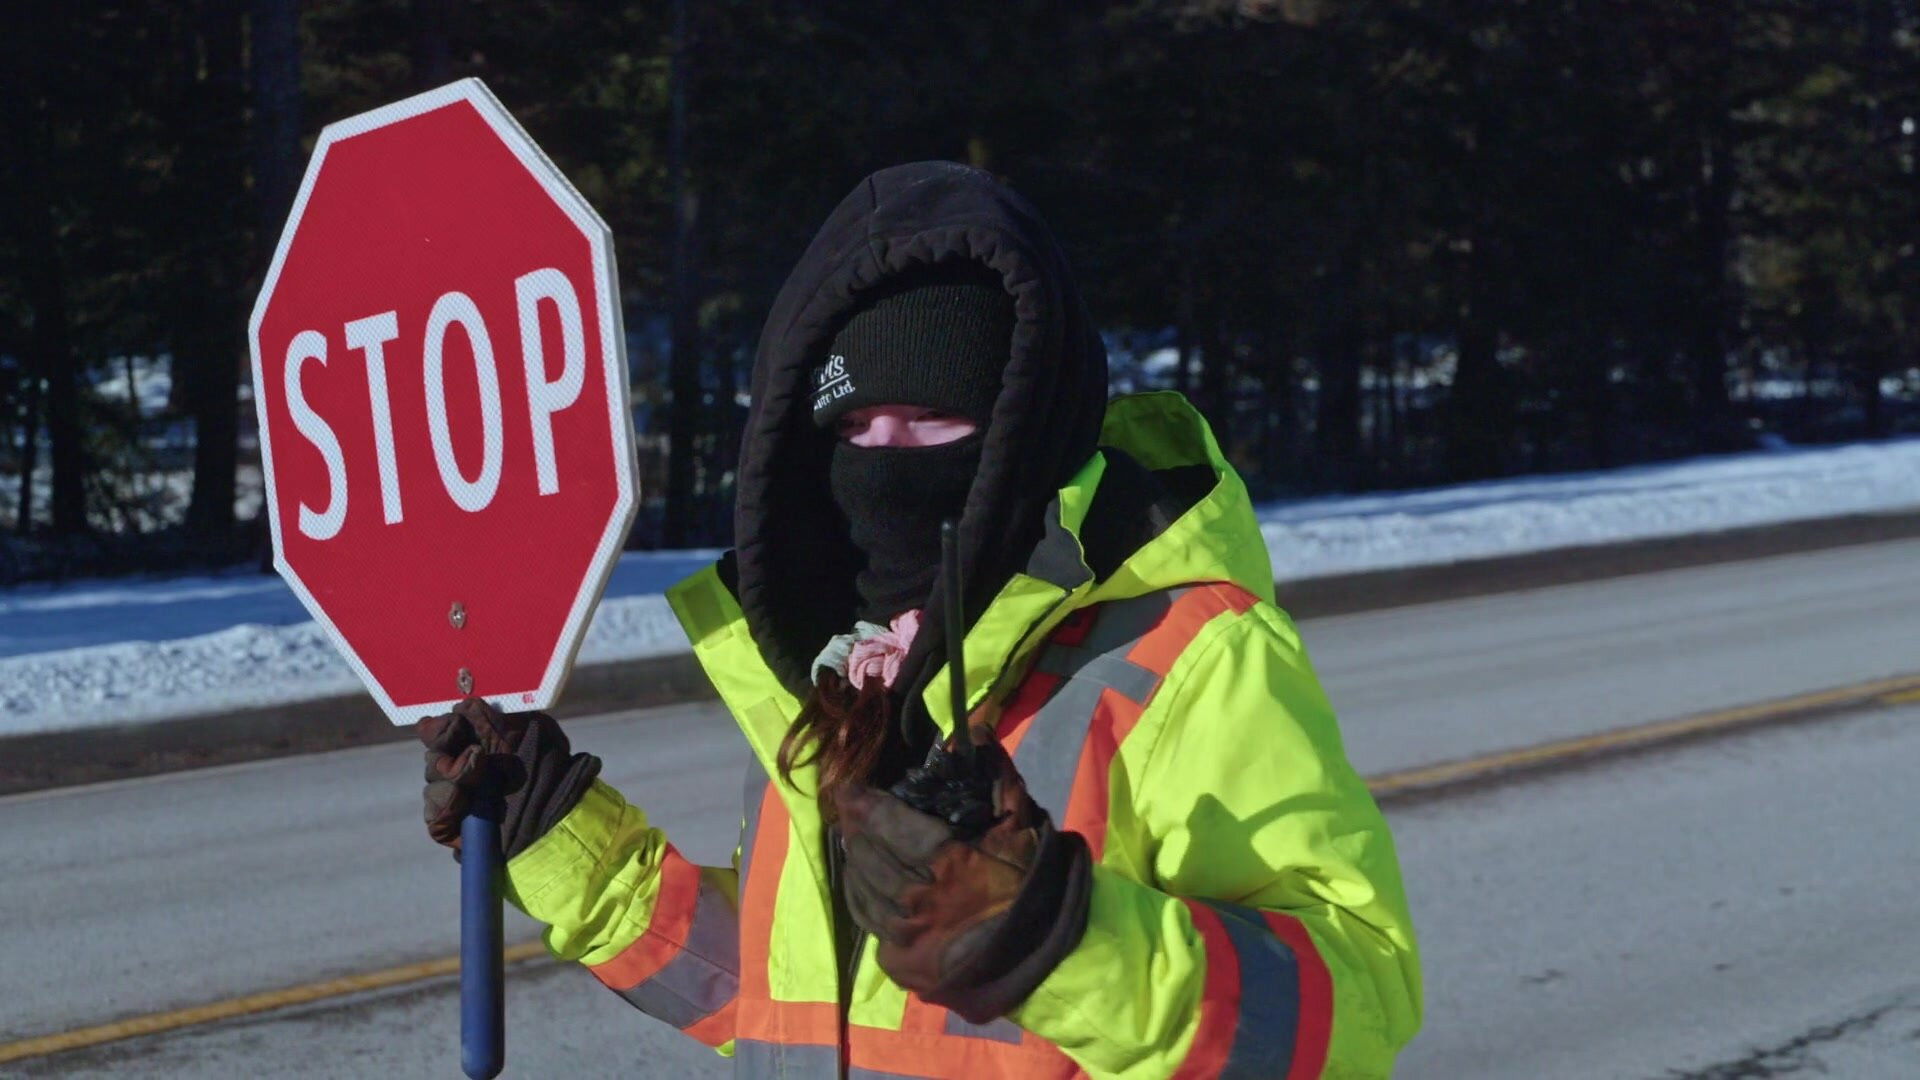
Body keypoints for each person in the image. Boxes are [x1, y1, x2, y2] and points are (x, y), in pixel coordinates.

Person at [418, 161, 1421, 1078]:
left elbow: (1360, 1008)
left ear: (1022, 434)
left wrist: (1058, 943)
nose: (886, 459)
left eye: (935, 419)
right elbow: (797, 1003)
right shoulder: (838, 677)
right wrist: (562, 843)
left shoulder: (1190, 655)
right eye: (855, 424)